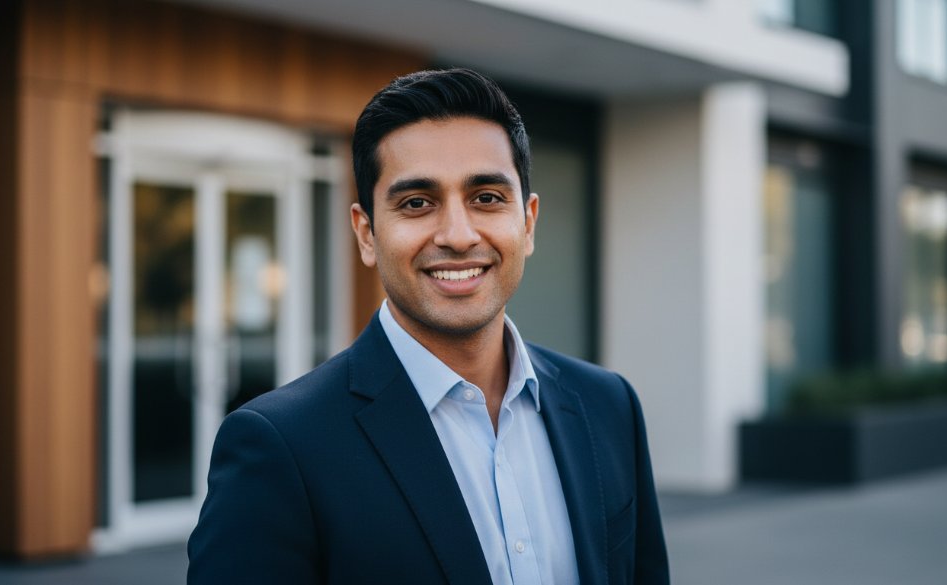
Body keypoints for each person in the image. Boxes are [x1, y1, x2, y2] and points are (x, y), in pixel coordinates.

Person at [188, 68, 669, 585]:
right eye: (417, 203)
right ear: (367, 234)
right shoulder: (281, 447)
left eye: (486, 197)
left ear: (528, 223)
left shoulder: (608, 405)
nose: (458, 236)